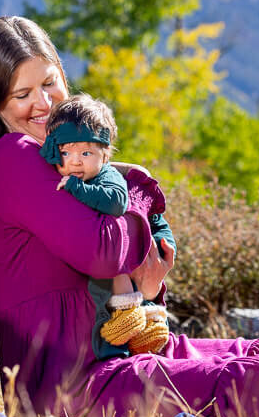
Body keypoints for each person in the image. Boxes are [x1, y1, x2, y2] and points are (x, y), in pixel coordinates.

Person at [0, 15, 259, 417]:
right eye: (22, 94)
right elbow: (101, 252)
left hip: (124, 356)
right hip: (76, 389)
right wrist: (133, 189)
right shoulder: (15, 155)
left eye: (50, 82)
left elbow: (123, 278)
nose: (45, 103)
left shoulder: (68, 159)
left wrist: (148, 284)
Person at [40, 94, 174, 359]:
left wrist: (75, 187)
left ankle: (134, 315)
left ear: (105, 154)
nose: (75, 161)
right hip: (125, 257)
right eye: (66, 152)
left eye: (86, 153)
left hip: (149, 244)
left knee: (118, 249)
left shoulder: (106, 176)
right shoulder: (77, 172)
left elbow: (115, 203)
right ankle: (142, 324)